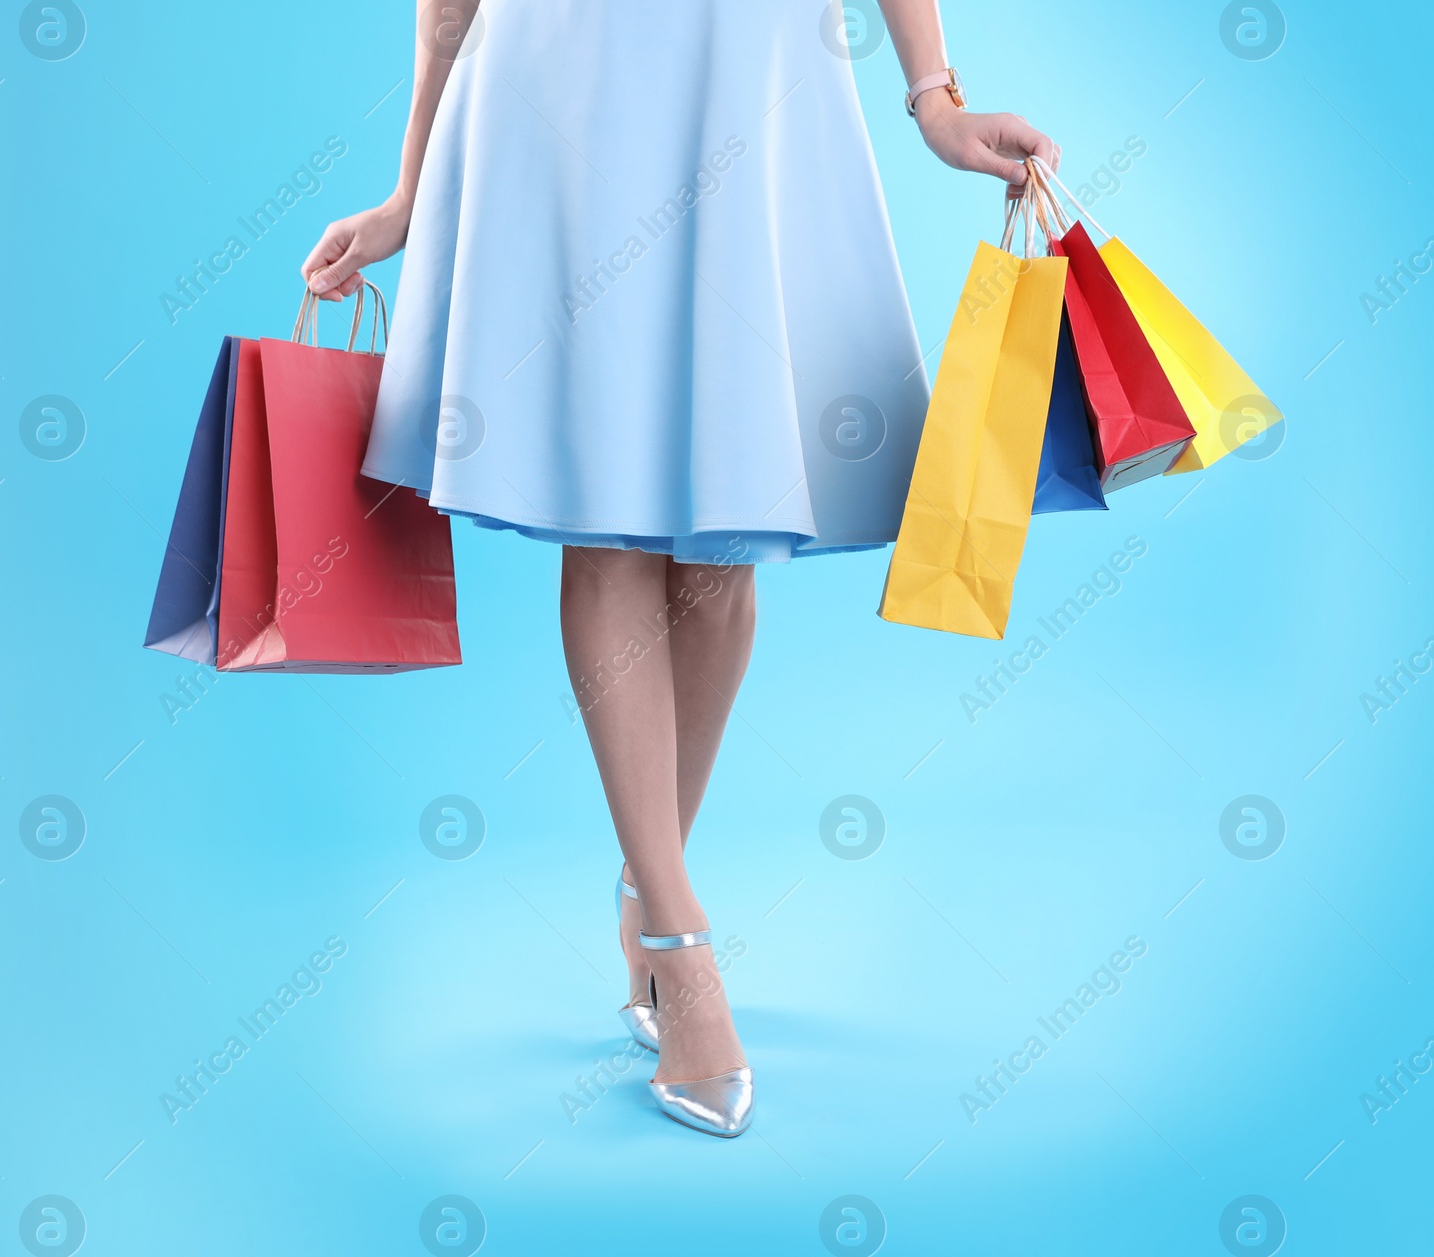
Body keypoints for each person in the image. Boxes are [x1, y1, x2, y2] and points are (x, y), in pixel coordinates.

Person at [302, 0, 1058, 1138]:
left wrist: (936, 103)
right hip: (555, 101)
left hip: (755, 86)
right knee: (604, 523)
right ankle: (677, 937)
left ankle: (647, 884)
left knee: (725, 544)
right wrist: (410, 191)